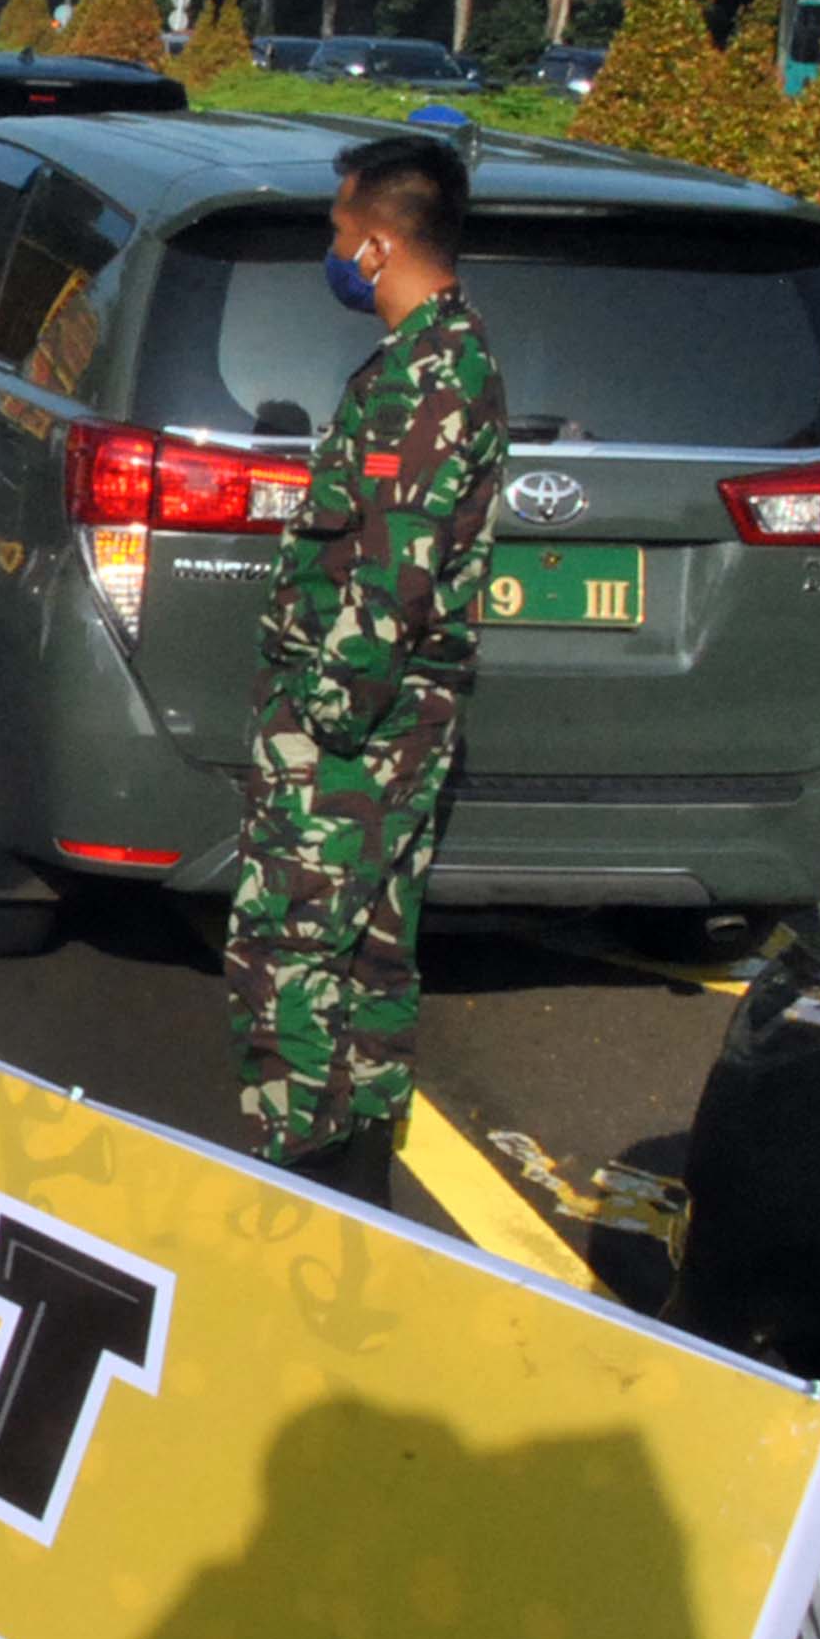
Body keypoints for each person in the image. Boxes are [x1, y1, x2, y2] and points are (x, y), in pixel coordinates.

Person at [225, 133, 508, 1205]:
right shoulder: (427, 362)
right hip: (387, 722)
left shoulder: (430, 380)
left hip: (356, 731)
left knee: (289, 954)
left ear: (380, 244)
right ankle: (354, 1192)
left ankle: (291, 1184)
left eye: (340, 230)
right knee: (370, 956)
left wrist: (323, 722)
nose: (333, 249)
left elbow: (390, 574)